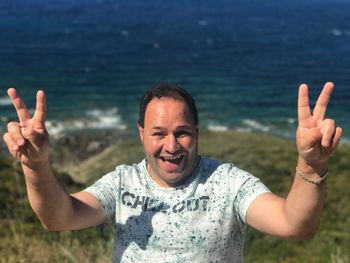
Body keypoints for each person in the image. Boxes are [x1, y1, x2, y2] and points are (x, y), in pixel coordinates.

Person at [3, 82, 343, 262]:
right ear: (141, 134)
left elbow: (295, 225)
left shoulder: (227, 182)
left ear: (196, 132)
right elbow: (59, 217)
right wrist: (35, 165)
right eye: (158, 133)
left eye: (182, 132)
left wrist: (310, 163)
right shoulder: (122, 182)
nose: (171, 145)